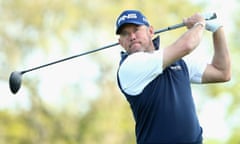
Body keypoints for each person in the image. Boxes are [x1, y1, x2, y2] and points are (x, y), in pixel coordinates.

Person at [115, 10, 231, 144]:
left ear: (151, 31)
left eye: (136, 29)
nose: (132, 36)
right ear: (120, 42)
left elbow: (222, 72)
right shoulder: (130, 67)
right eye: (125, 33)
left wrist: (217, 29)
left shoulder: (180, 63)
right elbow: (187, 45)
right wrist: (199, 24)